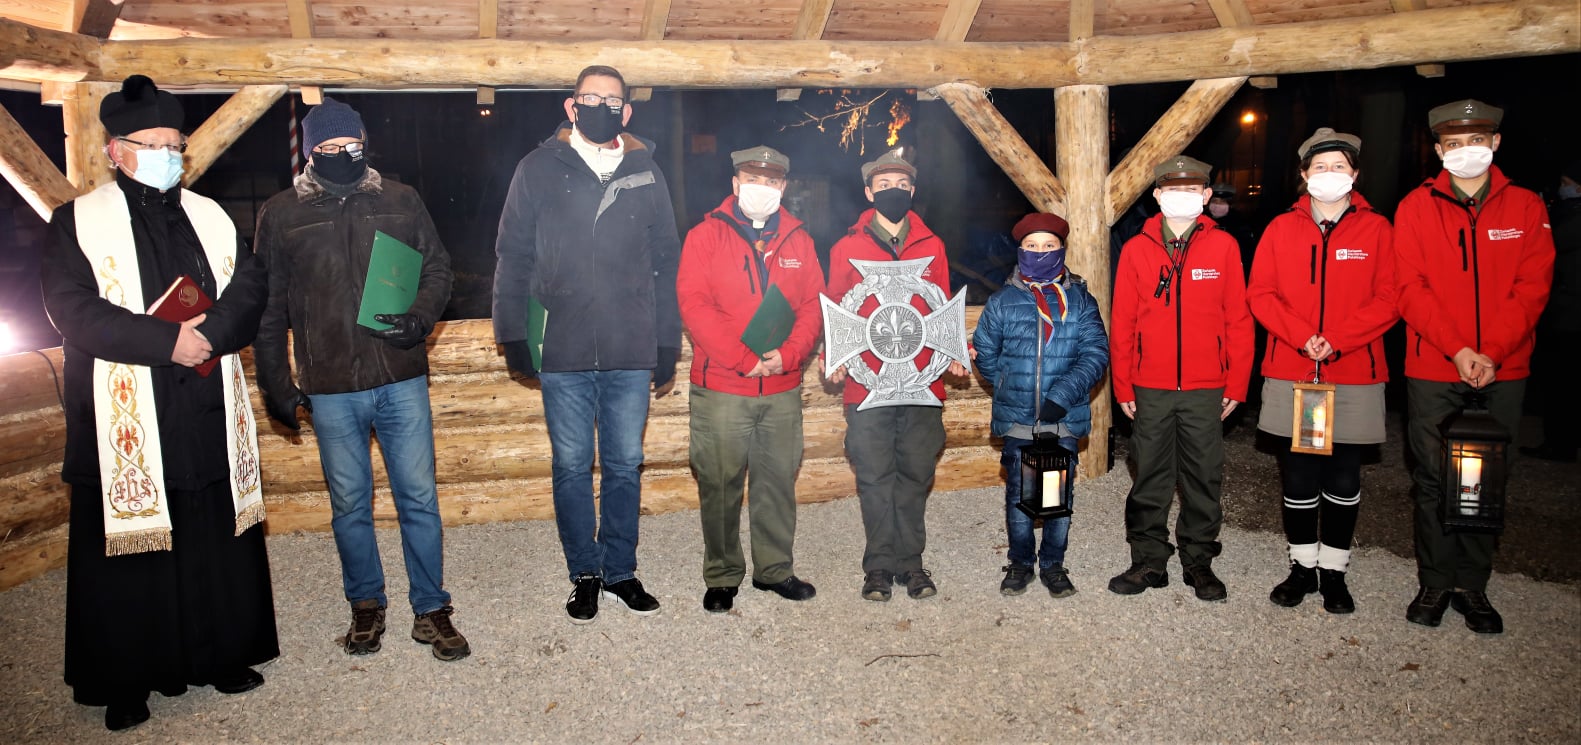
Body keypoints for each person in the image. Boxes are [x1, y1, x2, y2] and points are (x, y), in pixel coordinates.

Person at [40, 75, 277, 731]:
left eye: (175, 145)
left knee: (212, 528)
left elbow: (249, 285)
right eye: (152, 145)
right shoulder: (75, 222)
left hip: (203, 406)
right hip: (127, 415)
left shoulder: (212, 216)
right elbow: (72, 309)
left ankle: (223, 653)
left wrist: (211, 337)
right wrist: (167, 341)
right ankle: (128, 677)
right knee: (129, 551)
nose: (168, 155)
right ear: (116, 151)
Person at [253, 98, 469, 661]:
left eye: (351, 145)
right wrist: (275, 382)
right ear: (310, 151)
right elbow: (268, 305)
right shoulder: (281, 213)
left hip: (399, 376)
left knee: (418, 497)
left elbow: (438, 268)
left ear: (365, 144)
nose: (342, 154)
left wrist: (420, 318)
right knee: (349, 504)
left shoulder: (400, 199)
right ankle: (366, 605)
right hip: (330, 385)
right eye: (329, 146)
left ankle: (431, 608)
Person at [493, 65, 682, 624]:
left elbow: (666, 260)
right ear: (571, 106)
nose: (601, 107)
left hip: (630, 345)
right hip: (564, 346)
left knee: (624, 464)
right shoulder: (537, 168)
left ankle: (620, 570)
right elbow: (512, 254)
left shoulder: (646, 170)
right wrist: (512, 333)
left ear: (627, 112)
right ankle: (585, 573)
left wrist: (666, 340)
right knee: (573, 466)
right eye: (590, 98)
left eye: (612, 101)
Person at [1394, 99, 1553, 634]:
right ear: (1439, 150)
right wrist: (1458, 349)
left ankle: (1473, 584)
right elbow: (1409, 287)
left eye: (1477, 141)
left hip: (1503, 367)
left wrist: (1493, 351)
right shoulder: (1416, 207)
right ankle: (1436, 579)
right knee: (1433, 476)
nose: (1466, 151)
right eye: (1454, 144)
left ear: (1496, 144)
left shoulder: (1525, 206)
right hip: (1435, 364)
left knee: (1488, 477)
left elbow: (1533, 286)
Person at [1248, 128, 1398, 614]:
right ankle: (1301, 566)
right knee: (1299, 474)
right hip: (1295, 370)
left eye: (1338, 166)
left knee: (1343, 476)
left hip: (1353, 370)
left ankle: (1334, 570)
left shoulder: (1378, 229)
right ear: (1303, 174)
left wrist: (1338, 338)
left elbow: (1390, 297)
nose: (1329, 174)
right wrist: (1301, 335)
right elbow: (1261, 293)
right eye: (1319, 167)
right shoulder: (1280, 228)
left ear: (1354, 174)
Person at [677, 146, 825, 613]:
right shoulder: (705, 236)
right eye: (752, 179)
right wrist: (744, 359)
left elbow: (813, 304)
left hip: (781, 387)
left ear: (783, 187)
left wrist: (790, 355)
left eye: (771, 181)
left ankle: (774, 570)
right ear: (735, 184)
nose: (762, 188)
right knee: (719, 483)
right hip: (723, 386)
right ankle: (722, 574)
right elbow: (695, 304)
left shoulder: (800, 241)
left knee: (777, 481)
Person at [1107, 155, 1253, 602]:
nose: (1183, 197)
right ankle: (1148, 559)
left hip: (1206, 386)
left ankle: (1199, 559)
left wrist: (1237, 384)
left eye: (1192, 190)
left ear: (1206, 196)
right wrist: (1123, 385)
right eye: (1173, 189)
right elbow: (1123, 321)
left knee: (1203, 476)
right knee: (1150, 474)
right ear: (1157, 196)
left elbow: (1238, 319)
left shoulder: (1223, 246)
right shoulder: (1136, 248)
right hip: (1150, 386)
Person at [825, 150, 970, 601]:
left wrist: (953, 351)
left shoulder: (933, 245)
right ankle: (879, 566)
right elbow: (835, 311)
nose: (894, 191)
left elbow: (942, 306)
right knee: (873, 475)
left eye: (902, 185)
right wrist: (834, 357)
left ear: (913, 191)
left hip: (922, 382)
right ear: (869, 192)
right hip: (866, 383)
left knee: (916, 472)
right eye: (885, 185)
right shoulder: (845, 247)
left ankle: (912, 564)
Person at [971, 213, 1109, 598]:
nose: (1040, 252)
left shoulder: (1080, 300)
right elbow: (986, 352)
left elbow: (1096, 353)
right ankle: (1020, 562)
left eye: (1049, 246)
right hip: (1018, 418)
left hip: (1062, 418)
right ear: (1020, 251)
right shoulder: (1003, 301)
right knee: (1019, 493)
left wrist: (1060, 396)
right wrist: (1009, 386)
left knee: (1056, 494)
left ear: (1061, 250)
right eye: (1032, 246)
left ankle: (1052, 563)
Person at [1521, 160, 1581, 462]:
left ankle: (1561, 444)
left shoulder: (1572, 218)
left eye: (1567, 183)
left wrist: (1544, 214)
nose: (1563, 187)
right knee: (1561, 382)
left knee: (1563, 383)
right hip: (1564, 312)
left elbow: (1554, 240)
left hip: (1570, 315)